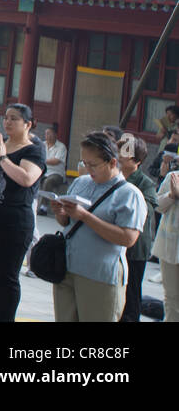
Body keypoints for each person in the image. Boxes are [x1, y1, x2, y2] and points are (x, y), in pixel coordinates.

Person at [51, 131, 146, 322]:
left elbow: (128, 238)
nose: (87, 169)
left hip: (100, 275)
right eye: (84, 163)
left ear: (112, 162)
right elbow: (68, 224)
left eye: (93, 165)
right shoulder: (80, 182)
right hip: (67, 269)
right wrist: (61, 213)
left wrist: (85, 216)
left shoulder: (129, 194)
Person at [0, 104, 46, 321]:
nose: (7, 122)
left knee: (7, 276)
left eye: (14, 119)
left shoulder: (32, 150)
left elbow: (26, 178)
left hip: (14, 223)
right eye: (6, 118)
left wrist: (3, 158)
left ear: (28, 124)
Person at [117, 134, 157, 322]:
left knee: (131, 292)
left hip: (135, 247)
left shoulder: (145, 183)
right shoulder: (112, 177)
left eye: (125, 153)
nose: (119, 156)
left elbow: (147, 210)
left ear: (137, 161)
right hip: (113, 241)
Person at [156, 163, 179, 321]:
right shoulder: (174, 176)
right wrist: (172, 195)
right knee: (171, 297)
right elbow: (158, 207)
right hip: (169, 245)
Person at [38, 124, 68, 212]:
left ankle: (44, 207)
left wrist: (42, 160)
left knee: (48, 181)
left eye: (50, 134)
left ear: (55, 135)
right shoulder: (42, 145)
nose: (48, 136)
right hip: (43, 171)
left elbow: (56, 161)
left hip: (56, 174)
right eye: (46, 134)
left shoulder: (61, 147)